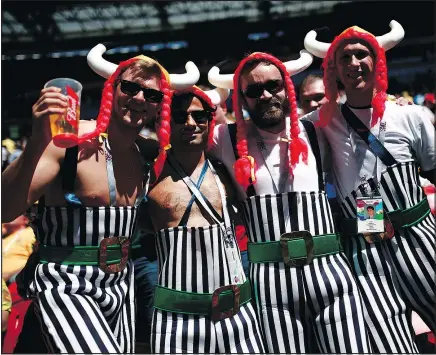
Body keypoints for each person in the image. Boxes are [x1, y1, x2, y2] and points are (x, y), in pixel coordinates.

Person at [2, 43, 199, 353]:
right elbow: (5, 208)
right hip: (65, 285)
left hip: (121, 287)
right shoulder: (69, 143)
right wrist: (37, 141)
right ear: (112, 88)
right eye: (130, 88)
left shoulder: (147, 155)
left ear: (159, 105)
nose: (139, 99)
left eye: (152, 95)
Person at [208, 50, 370, 353]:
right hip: (271, 290)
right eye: (255, 90)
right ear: (242, 98)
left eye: (274, 85)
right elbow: (175, 133)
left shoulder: (317, 128)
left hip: (332, 278)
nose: (267, 94)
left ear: (287, 87)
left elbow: (367, 115)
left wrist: (394, 104)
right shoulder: (223, 138)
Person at [304, 20, 436, 353]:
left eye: (361, 54)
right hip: (366, 252)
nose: (353, 64)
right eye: (343, 58)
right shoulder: (320, 124)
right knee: (390, 346)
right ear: (333, 69)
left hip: (422, 241)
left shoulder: (413, 115)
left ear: (376, 61)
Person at [141, 85, 265, 353]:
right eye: (179, 117)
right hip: (176, 319)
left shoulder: (226, 170)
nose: (190, 124)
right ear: (164, 122)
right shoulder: (148, 175)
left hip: (237, 315)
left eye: (199, 116)